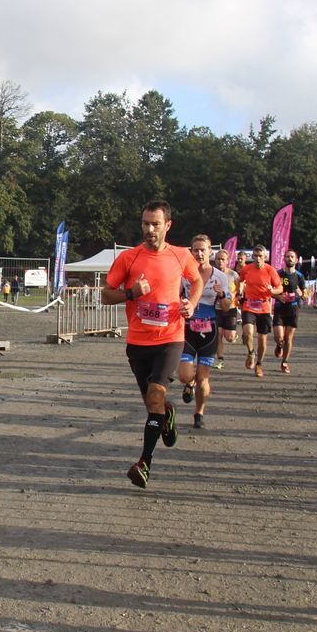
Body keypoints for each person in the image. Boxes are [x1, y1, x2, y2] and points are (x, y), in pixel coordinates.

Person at [103, 200, 200, 488]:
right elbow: (106, 295)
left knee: (156, 395)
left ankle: (144, 463)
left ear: (167, 225)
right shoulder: (129, 258)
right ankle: (166, 415)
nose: (149, 229)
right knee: (153, 405)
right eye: (145, 223)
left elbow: (197, 280)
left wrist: (192, 304)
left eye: (155, 224)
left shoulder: (181, 255)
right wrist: (131, 293)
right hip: (137, 342)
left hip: (170, 338)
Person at [177, 235, 233, 428]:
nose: (199, 254)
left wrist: (222, 294)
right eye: (196, 250)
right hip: (188, 328)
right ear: (191, 252)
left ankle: (199, 413)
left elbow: (226, 306)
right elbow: (176, 296)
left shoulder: (221, 276)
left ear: (210, 251)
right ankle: (189, 383)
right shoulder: (184, 274)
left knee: (203, 377)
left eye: (203, 250)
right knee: (184, 375)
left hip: (209, 329)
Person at [238, 246, 283, 378]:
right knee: (247, 333)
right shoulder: (246, 269)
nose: (258, 259)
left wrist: (272, 291)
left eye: (260, 256)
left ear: (265, 257)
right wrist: (240, 290)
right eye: (256, 256)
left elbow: (280, 288)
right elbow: (240, 280)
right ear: (252, 257)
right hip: (249, 305)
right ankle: (251, 352)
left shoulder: (270, 270)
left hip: (264, 307)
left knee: (262, 339)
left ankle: (259, 364)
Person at [273, 249, 306, 374]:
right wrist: (278, 296)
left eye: (292, 257)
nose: (289, 258)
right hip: (279, 308)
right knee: (279, 336)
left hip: (293, 309)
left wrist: (302, 294)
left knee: (288, 338)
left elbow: (305, 295)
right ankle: (279, 344)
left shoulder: (299, 276)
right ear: (284, 259)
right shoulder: (278, 274)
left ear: (296, 260)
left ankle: (285, 362)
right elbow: (270, 291)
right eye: (287, 256)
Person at [211, 248, 240, 369]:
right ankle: (220, 359)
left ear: (227, 261)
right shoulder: (211, 274)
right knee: (218, 335)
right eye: (218, 259)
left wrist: (237, 296)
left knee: (229, 337)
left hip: (230, 308)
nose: (220, 261)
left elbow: (239, 288)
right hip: (216, 309)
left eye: (223, 259)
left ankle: (234, 335)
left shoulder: (233, 274)